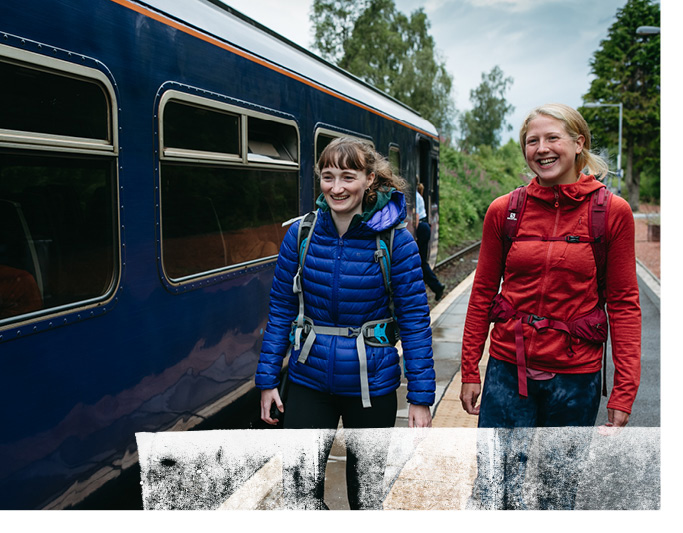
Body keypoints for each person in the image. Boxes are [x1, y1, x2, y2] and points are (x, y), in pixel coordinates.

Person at [459, 103, 641, 509]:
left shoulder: (612, 213)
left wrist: (623, 393)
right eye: (532, 140)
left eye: (552, 138)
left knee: (557, 491)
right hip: (508, 369)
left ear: (579, 144)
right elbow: (483, 293)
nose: (542, 148)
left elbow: (625, 304)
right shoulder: (504, 210)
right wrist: (470, 368)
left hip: (575, 378)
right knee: (494, 486)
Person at [256, 137, 435, 510]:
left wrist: (420, 397)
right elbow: (280, 311)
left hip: (373, 383)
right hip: (309, 378)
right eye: (328, 176)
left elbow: (415, 322)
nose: (336, 188)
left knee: (365, 495)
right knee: (299, 490)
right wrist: (268, 380)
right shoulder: (301, 234)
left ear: (369, 179)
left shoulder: (395, 240)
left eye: (348, 176)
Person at [415, 183, 445, 301]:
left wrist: (413, 235)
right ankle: (436, 287)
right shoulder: (418, 195)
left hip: (421, 228)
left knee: (421, 262)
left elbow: (416, 217)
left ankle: (437, 286)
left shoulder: (416, 196)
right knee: (421, 262)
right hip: (424, 227)